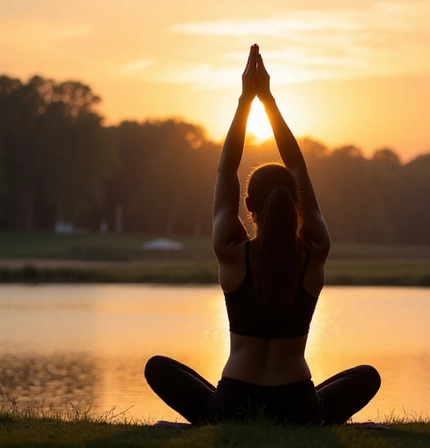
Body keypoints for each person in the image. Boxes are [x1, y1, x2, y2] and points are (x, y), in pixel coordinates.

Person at [144, 44, 380, 425]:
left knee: (158, 367)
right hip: (298, 404)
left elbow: (225, 172)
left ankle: (208, 421)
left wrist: (246, 101)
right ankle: (314, 420)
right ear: (294, 205)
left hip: (235, 401)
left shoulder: (232, 252)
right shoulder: (314, 251)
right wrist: (269, 102)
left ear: (249, 207)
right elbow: (298, 167)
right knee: (366, 377)